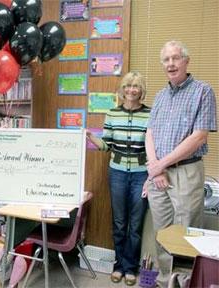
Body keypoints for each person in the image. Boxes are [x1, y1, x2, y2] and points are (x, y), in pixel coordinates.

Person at [145, 40, 217, 287]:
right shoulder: (160, 96)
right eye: (166, 59)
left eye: (176, 58)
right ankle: (164, 280)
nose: (171, 64)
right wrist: (155, 167)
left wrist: (160, 164)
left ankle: (185, 282)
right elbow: (150, 132)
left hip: (186, 172)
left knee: (187, 233)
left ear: (186, 61)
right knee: (162, 233)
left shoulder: (203, 91)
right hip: (158, 174)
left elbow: (199, 137)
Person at [86, 72, 150, 286]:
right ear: (123, 89)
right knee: (119, 222)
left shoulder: (151, 113)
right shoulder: (112, 113)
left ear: (142, 90)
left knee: (135, 223)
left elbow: (153, 147)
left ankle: (131, 267)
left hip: (142, 174)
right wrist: (91, 137)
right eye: (128, 86)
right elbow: (107, 145)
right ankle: (119, 266)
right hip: (117, 174)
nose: (132, 90)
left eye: (136, 86)